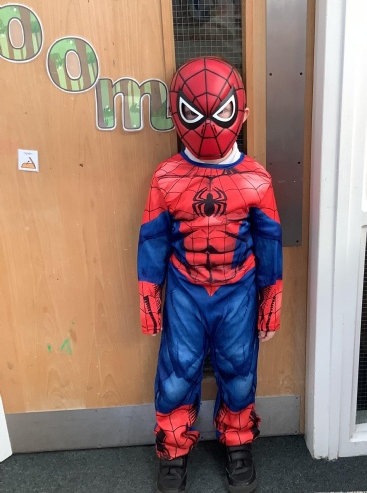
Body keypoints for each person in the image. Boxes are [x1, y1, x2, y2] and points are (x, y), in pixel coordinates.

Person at [137, 56, 283, 493]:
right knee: (177, 372)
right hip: (185, 289)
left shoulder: (256, 178)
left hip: (239, 289)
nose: (207, 126)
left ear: (242, 113)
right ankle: (173, 449)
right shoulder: (166, 177)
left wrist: (270, 304)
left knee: (239, 370)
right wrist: (149, 297)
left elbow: (270, 244)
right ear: (177, 114)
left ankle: (238, 442)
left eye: (219, 113)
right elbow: (152, 240)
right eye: (194, 114)